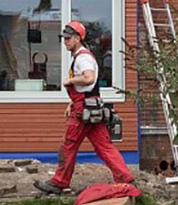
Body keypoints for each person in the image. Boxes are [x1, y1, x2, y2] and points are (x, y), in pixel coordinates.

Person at [34, 22, 134, 194]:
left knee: (69, 145)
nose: (65, 42)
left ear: (77, 38)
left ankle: (59, 182)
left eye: (68, 38)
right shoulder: (82, 57)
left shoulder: (82, 58)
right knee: (105, 146)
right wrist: (71, 102)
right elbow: (89, 88)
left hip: (83, 111)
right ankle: (126, 179)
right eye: (63, 38)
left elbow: (88, 78)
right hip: (90, 107)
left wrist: (69, 81)